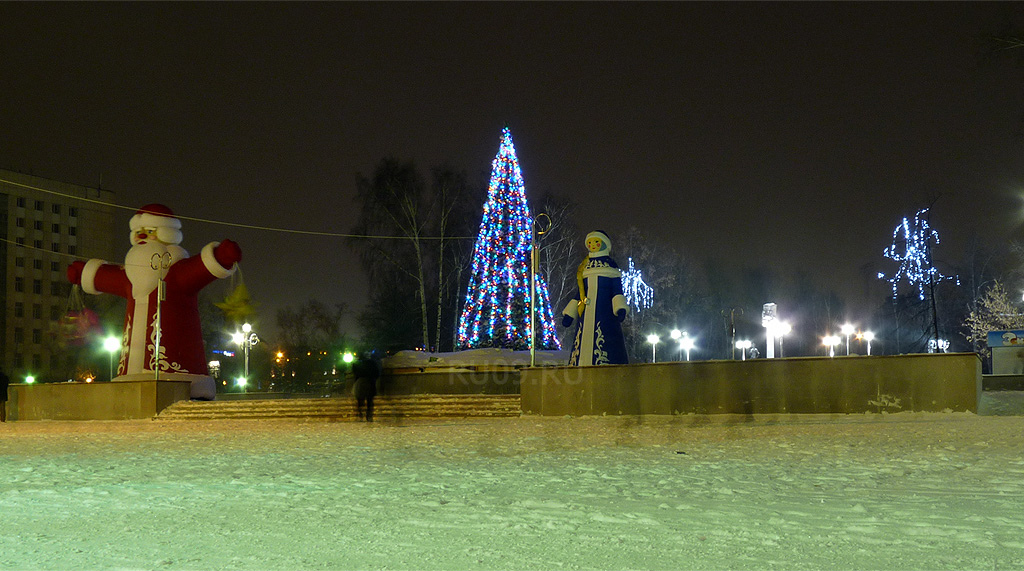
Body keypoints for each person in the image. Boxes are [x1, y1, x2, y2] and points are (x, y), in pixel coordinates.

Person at [66, 204, 241, 400]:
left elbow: (201, 267)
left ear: (168, 234)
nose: (142, 236)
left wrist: (220, 257)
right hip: (130, 375)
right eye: (138, 232)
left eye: (150, 232)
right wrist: (85, 273)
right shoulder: (131, 276)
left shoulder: (178, 272)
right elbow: (107, 277)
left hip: (180, 373)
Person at [561, 231, 629, 365]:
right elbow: (580, 292)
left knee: (605, 340)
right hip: (585, 315)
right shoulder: (584, 267)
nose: (592, 245)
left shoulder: (611, 266)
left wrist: (620, 308)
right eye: (590, 243)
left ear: (604, 244)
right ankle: (580, 364)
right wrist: (570, 313)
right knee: (583, 339)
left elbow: (617, 291)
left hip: (605, 313)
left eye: (596, 242)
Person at [351, 352, 381, 422]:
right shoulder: (372, 363)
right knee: (369, 400)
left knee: (360, 400)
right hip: (369, 382)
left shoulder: (357, 363)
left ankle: (360, 414)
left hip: (360, 382)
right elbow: (376, 372)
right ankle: (369, 415)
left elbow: (355, 373)